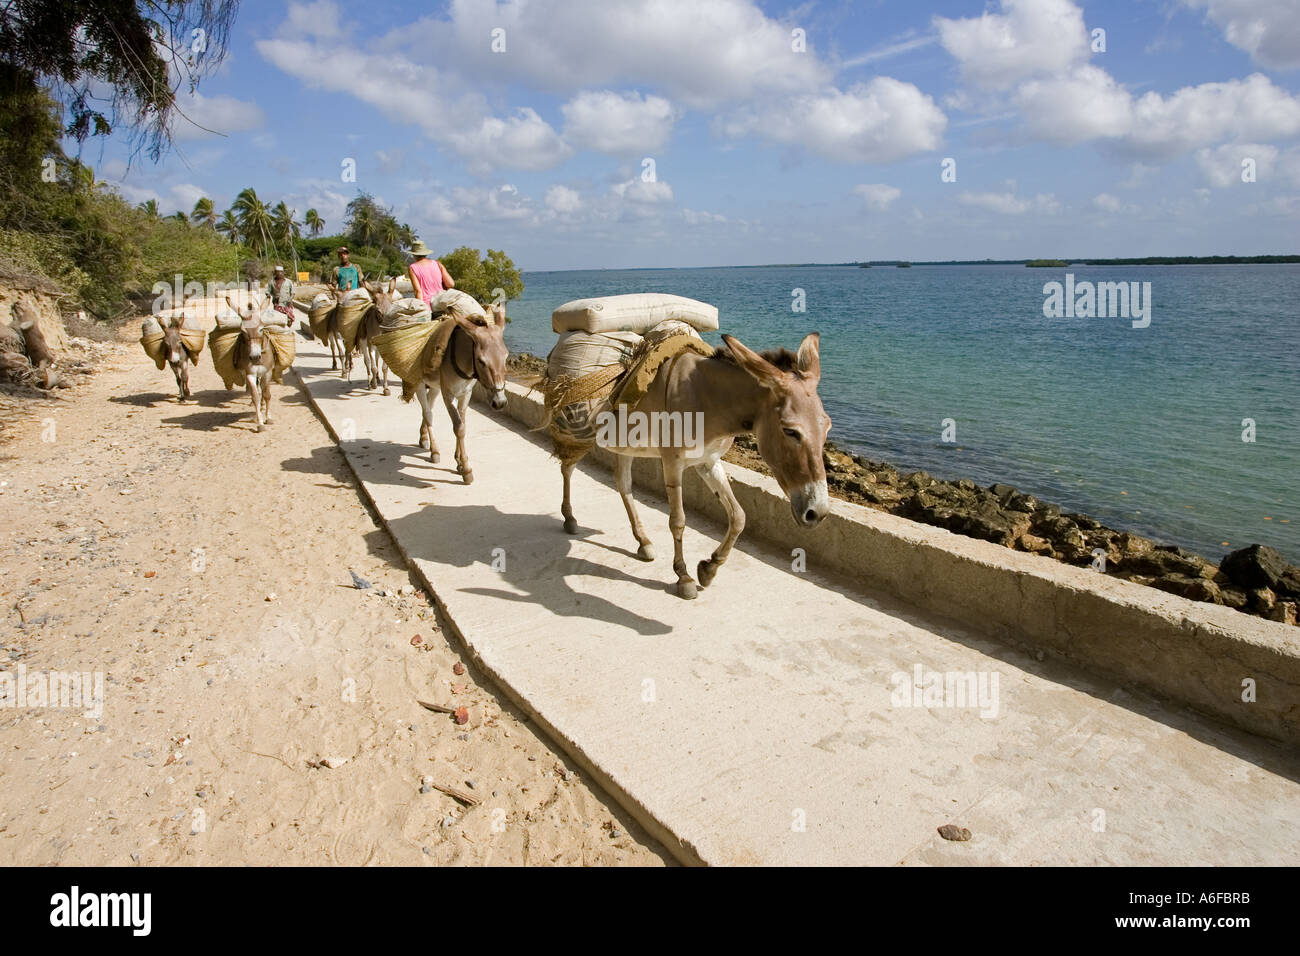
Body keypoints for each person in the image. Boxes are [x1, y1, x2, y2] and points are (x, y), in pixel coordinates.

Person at [406, 239, 454, 307]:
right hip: (442, 302)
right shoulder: (437, 264)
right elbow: (451, 284)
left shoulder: (412, 268)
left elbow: (418, 291)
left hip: (428, 305)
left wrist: (420, 308)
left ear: (414, 254)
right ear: (426, 253)